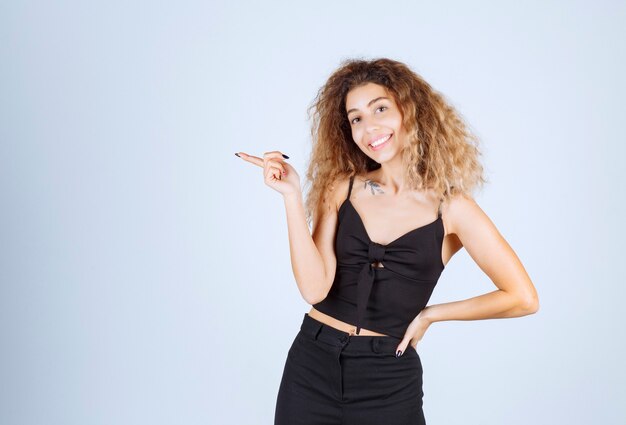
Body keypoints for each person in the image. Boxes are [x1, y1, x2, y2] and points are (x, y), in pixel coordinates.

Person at [236, 57, 539, 425]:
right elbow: (315, 290)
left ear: (408, 110)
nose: (369, 127)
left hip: (387, 379)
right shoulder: (341, 187)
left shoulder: (453, 208)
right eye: (356, 118)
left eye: (380, 108)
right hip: (311, 364)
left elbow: (523, 297)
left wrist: (432, 315)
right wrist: (291, 197)